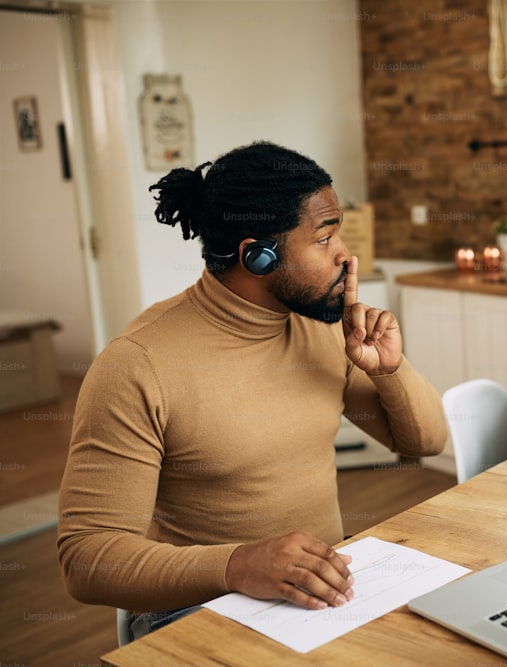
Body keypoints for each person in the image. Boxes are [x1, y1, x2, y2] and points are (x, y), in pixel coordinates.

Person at [57, 141, 448, 639]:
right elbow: (87, 559)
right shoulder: (137, 366)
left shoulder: (323, 330)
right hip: (201, 606)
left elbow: (425, 443)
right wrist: (239, 565)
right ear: (258, 256)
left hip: (323, 590)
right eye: (324, 239)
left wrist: (388, 369)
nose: (345, 257)